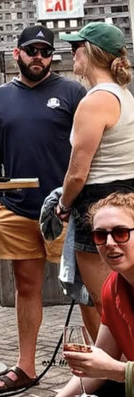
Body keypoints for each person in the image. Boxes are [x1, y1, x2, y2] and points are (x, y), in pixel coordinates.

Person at [0, 25, 86, 393]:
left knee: (85, 290)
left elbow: (88, 151)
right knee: (27, 289)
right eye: (31, 51)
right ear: (17, 54)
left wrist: (76, 201)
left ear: (51, 56)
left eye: (45, 51)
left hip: (65, 211)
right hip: (16, 211)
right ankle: (25, 366)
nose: (38, 57)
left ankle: (96, 373)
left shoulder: (73, 92)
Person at [55, 22, 134, 338]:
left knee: (109, 306)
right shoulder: (124, 95)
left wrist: (62, 204)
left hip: (98, 207)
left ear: (89, 53)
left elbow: (77, 173)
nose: (71, 52)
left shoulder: (95, 100)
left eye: (76, 47)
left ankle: (114, 381)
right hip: (125, 202)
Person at [46, 192, 134, 397]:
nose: (110, 243)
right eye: (100, 236)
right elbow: (98, 366)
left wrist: (118, 371)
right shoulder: (113, 287)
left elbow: (109, 368)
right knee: (97, 396)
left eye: (121, 233)